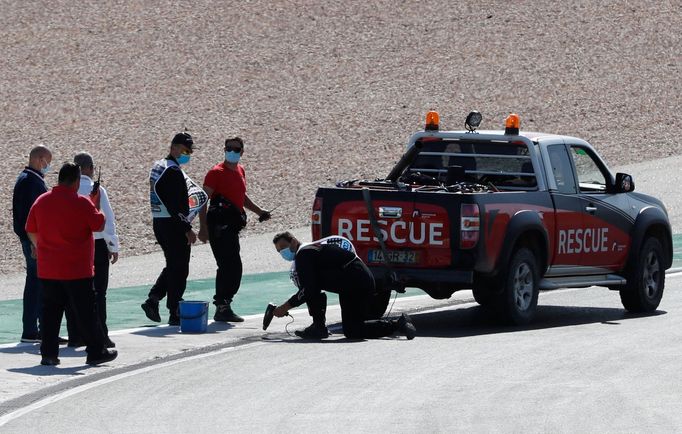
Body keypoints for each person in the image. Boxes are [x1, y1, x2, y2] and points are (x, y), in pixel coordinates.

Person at [25, 162, 117, 366]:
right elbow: (98, 224)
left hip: (49, 268)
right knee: (85, 312)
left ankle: (48, 354)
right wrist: (95, 204)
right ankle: (96, 351)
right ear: (76, 181)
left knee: (50, 313)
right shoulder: (82, 203)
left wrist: (39, 246)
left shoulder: (42, 201)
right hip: (76, 269)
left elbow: (30, 228)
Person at [270, 232, 416, 340]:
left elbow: (309, 289)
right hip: (350, 285)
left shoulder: (304, 254)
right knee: (352, 330)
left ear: (294, 241)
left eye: (284, 247)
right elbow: (312, 288)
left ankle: (318, 327)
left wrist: (285, 307)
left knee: (310, 289)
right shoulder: (310, 251)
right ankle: (398, 324)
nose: (282, 253)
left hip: (356, 283)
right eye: (279, 251)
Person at [197, 137, 271, 322]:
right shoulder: (215, 172)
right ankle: (222, 306)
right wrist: (203, 227)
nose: (232, 151)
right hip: (218, 227)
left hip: (232, 227)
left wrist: (259, 211)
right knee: (228, 266)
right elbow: (202, 199)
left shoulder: (240, 170)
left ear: (242, 152)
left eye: (236, 149)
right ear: (224, 149)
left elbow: (241, 196)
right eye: (229, 148)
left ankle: (224, 304)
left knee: (233, 266)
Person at [142, 132, 204, 326]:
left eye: (190, 151)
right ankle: (174, 308)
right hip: (172, 224)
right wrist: (187, 228)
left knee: (174, 264)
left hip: (159, 222)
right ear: (173, 148)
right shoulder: (173, 171)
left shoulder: (160, 166)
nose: (188, 154)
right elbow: (174, 204)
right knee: (180, 268)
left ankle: (154, 299)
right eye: (185, 150)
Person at [74, 152, 119, 348]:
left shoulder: (70, 189)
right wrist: (113, 246)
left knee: (76, 292)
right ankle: (101, 334)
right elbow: (107, 220)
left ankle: (76, 335)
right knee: (99, 292)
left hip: (75, 244)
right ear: (90, 169)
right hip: (97, 244)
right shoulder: (97, 190)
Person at [12, 145, 56, 343]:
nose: (48, 166)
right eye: (48, 161)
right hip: (33, 241)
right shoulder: (31, 182)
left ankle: (37, 328)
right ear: (40, 159)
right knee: (36, 284)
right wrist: (33, 242)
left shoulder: (27, 179)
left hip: (32, 239)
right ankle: (31, 330)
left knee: (36, 283)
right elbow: (30, 218)